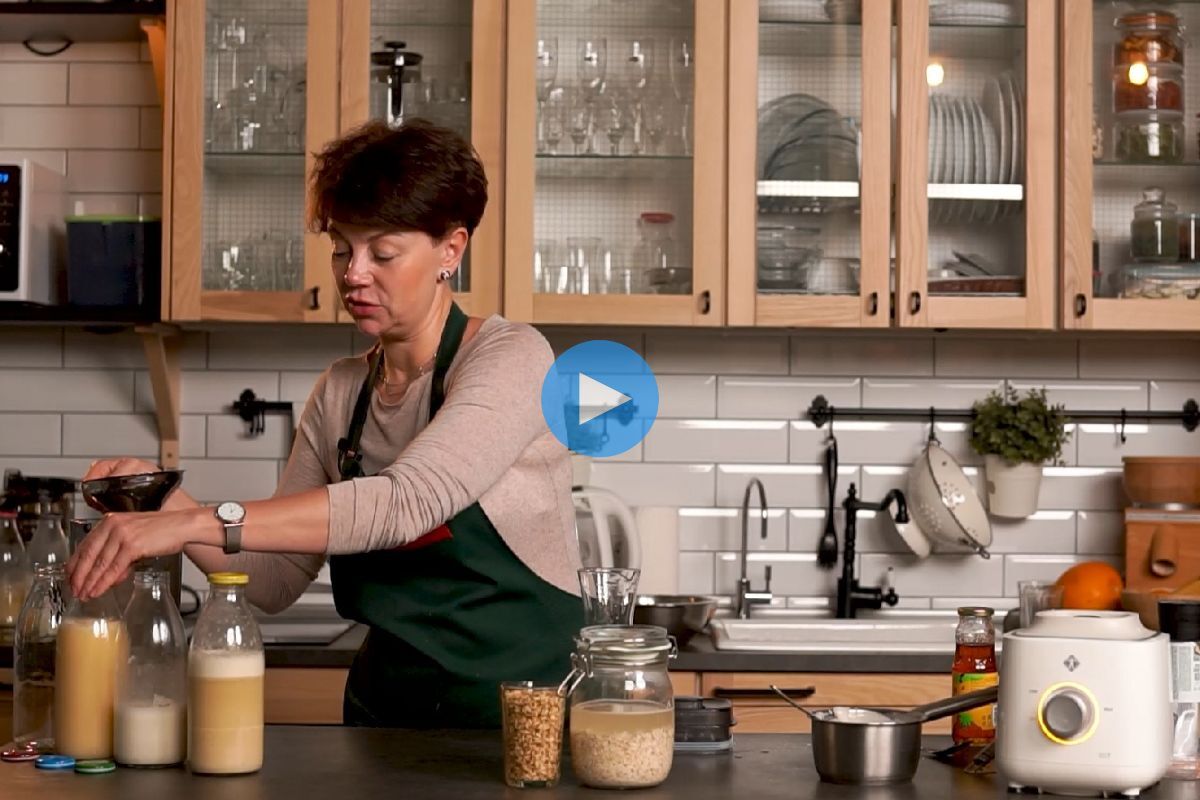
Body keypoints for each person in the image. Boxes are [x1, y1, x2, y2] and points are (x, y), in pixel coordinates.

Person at [68, 119, 585, 728]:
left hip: (521, 722)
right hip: (383, 720)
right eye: (342, 248)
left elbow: (407, 502)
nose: (353, 273)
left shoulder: (513, 357)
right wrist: (164, 504)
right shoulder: (341, 390)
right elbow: (273, 579)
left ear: (451, 249)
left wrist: (191, 522)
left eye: (382, 253)